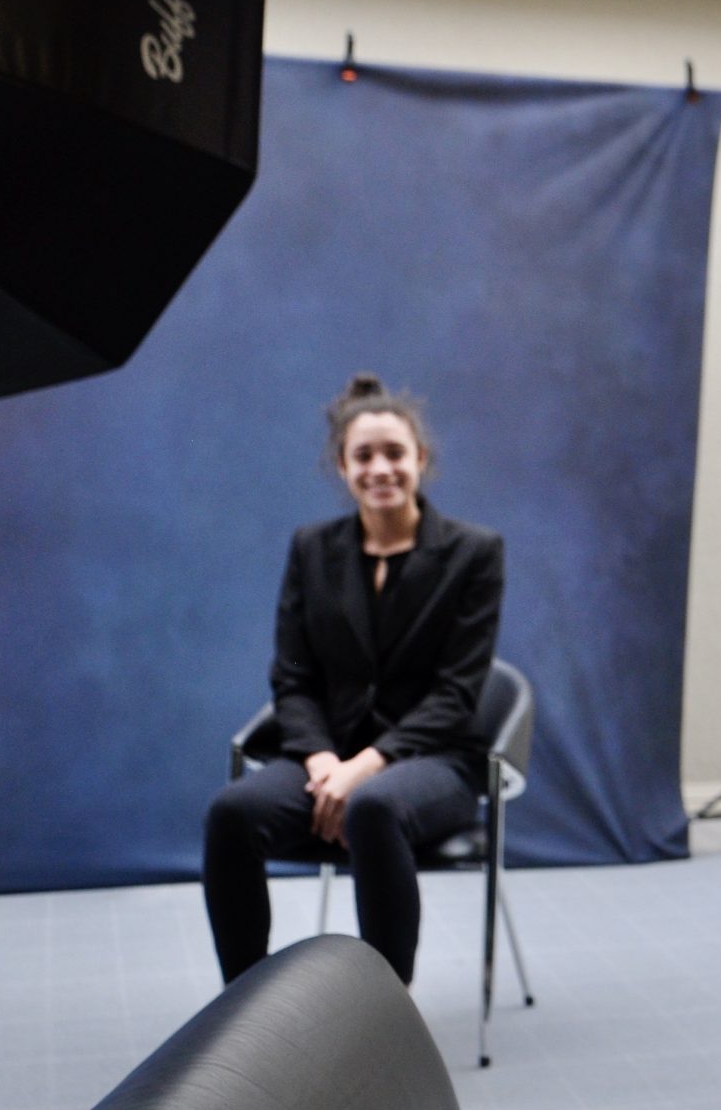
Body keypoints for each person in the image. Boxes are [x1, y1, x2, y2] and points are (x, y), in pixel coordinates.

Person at [202, 374, 506, 987]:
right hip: (327, 758)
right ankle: (241, 1005)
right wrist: (320, 761)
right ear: (342, 467)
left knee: (372, 807)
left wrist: (362, 768)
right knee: (232, 813)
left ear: (421, 459)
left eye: (394, 453)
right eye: (363, 455)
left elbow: (456, 694)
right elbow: (293, 679)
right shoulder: (312, 549)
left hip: (435, 762)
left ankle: (385, 1014)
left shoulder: (474, 552)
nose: (380, 468)